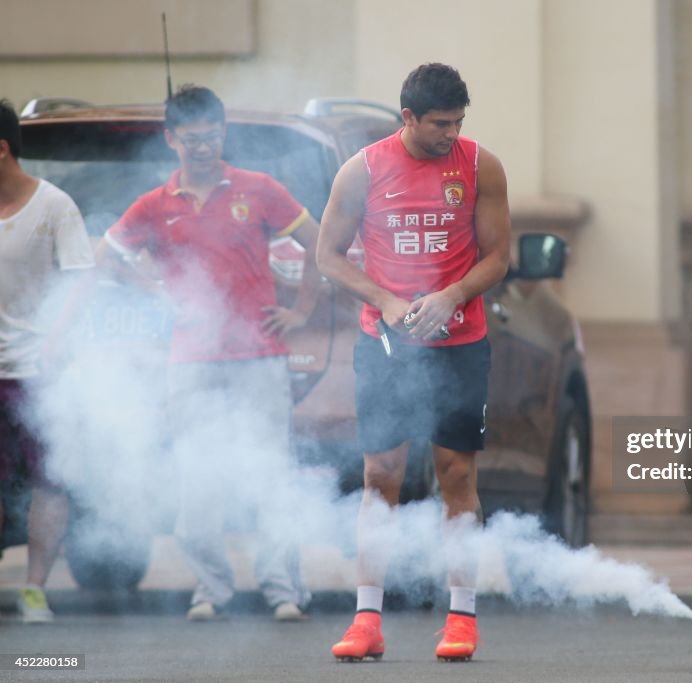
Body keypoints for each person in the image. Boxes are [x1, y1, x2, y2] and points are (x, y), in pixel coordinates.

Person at [97, 85, 321, 621]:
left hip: (260, 356)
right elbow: (104, 257)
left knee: (271, 473)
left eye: (213, 135)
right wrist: (155, 293)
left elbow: (319, 242)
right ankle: (212, 589)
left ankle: (282, 590)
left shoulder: (259, 188)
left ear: (224, 133)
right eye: (192, 138)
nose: (204, 146)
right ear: (171, 139)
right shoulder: (154, 205)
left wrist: (302, 312)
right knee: (198, 478)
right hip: (191, 364)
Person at [316, 63, 510, 662]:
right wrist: (388, 302)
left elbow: (500, 256)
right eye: (438, 124)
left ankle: (462, 620)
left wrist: (451, 295)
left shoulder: (480, 166)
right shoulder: (364, 169)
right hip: (385, 343)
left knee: (456, 476)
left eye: (457, 122)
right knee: (381, 477)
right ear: (408, 117)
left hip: (459, 342)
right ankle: (366, 620)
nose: (450, 134)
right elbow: (328, 256)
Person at [0, 99, 96, 622]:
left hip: (39, 371)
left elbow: (82, 275)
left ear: (2, 150)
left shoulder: (54, 205)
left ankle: (35, 589)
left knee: (47, 481)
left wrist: (58, 339)